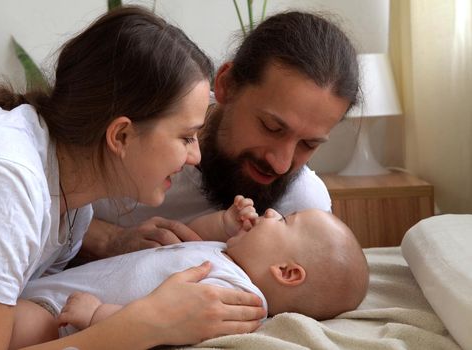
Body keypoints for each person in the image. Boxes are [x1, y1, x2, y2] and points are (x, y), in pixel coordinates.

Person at [0, 7, 266, 350]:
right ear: (120, 134)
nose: (194, 157)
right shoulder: (0, 175)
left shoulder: (66, 195)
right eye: (186, 137)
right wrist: (143, 325)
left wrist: (111, 240)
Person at [0, 196, 369, 350]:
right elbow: (185, 238)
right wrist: (224, 222)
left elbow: (171, 324)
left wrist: (100, 314)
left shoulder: (237, 297)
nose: (275, 212)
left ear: (287, 272)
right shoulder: (228, 254)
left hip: (61, 317)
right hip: (50, 287)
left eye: (288, 219)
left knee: (12, 327)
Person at [81, 11, 360, 261]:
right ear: (227, 85)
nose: (281, 164)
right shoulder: (136, 133)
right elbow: (51, 198)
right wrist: (109, 240)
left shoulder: (302, 212)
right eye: (271, 127)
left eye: (308, 144)